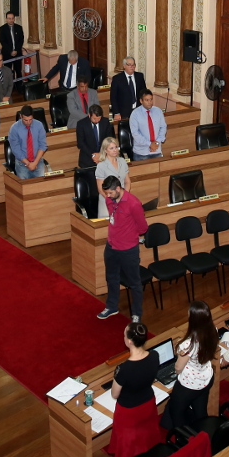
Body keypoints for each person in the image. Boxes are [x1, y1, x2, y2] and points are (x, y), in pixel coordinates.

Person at [105, 321, 162, 457]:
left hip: (129, 412)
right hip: (148, 405)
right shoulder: (155, 356)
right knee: (145, 438)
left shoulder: (123, 369)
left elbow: (114, 394)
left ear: (129, 341)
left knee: (130, 445)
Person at [161, 301, 218, 431]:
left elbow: (178, 368)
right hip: (206, 378)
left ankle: (182, 438)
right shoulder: (213, 331)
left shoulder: (188, 345)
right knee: (200, 411)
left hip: (189, 385)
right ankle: (204, 434)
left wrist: (180, 352)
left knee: (176, 412)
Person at [97, 176, 147, 322]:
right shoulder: (109, 200)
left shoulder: (133, 203)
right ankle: (112, 306)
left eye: (110, 193)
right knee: (111, 278)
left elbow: (143, 227)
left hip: (128, 250)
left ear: (118, 189)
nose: (108, 196)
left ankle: (137, 313)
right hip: (111, 246)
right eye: (106, 193)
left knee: (134, 283)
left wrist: (128, 235)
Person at [7, 105, 48, 179]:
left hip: (38, 162)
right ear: (21, 116)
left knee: (41, 187)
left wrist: (35, 163)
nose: (28, 122)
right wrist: (28, 163)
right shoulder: (14, 129)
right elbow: (16, 149)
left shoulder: (39, 125)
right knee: (24, 188)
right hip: (22, 165)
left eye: (30, 119)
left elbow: (43, 145)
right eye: (25, 120)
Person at [94, 136, 129, 218]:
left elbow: (127, 181)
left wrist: (124, 196)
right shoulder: (101, 166)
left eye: (116, 147)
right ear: (105, 150)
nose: (115, 150)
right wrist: (112, 200)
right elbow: (100, 188)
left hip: (122, 200)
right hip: (108, 202)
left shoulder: (122, 161)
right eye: (111, 148)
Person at [129, 90, 167, 160]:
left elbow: (163, 127)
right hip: (141, 153)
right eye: (147, 100)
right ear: (141, 101)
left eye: (151, 99)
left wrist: (157, 143)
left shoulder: (158, 111)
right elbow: (135, 133)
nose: (149, 102)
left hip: (156, 150)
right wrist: (150, 144)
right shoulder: (135, 114)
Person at [109, 56, 148, 122]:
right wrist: (116, 113)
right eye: (129, 65)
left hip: (138, 110)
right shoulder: (117, 79)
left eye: (133, 65)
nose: (132, 66)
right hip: (123, 112)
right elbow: (113, 97)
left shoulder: (139, 76)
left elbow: (144, 93)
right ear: (124, 66)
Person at [76, 105, 115, 169]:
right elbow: (80, 143)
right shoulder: (81, 124)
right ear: (89, 115)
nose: (97, 121)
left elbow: (109, 139)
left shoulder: (105, 122)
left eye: (99, 118)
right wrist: (94, 155)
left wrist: (101, 154)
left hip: (104, 156)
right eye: (94, 119)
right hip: (87, 158)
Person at [0, 11, 25, 76]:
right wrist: (10, 51)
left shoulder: (19, 28)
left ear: (14, 18)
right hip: (7, 54)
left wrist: (16, 50)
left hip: (17, 53)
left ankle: (19, 85)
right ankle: (10, 86)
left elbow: (21, 40)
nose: (11, 20)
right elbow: (3, 42)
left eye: (12, 18)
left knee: (18, 71)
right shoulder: (2, 29)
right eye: (9, 18)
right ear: (6, 19)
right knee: (8, 72)